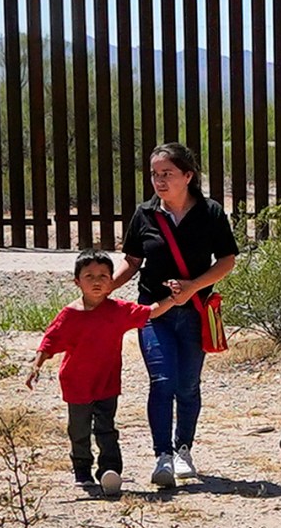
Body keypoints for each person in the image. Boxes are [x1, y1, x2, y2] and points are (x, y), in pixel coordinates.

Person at [114, 142, 238, 490]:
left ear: (188, 175)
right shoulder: (146, 214)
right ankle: (162, 456)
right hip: (153, 312)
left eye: (167, 174)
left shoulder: (211, 213)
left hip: (195, 313)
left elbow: (227, 260)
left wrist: (193, 285)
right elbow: (133, 260)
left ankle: (184, 449)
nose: (159, 181)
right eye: (155, 175)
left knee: (187, 385)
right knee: (162, 381)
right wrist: (105, 287)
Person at [26, 252, 182, 496]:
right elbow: (50, 341)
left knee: (106, 428)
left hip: (107, 383)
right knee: (78, 431)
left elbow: (150, 311)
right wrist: (35, 365)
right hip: (76, 383)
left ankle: (110, 471)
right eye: (89, 276)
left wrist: (173, 300)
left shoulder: (118, 310)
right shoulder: (70, 314)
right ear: (77, 281)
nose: (96, 281)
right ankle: (82, 471)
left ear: (112, 281)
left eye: (103, 276)